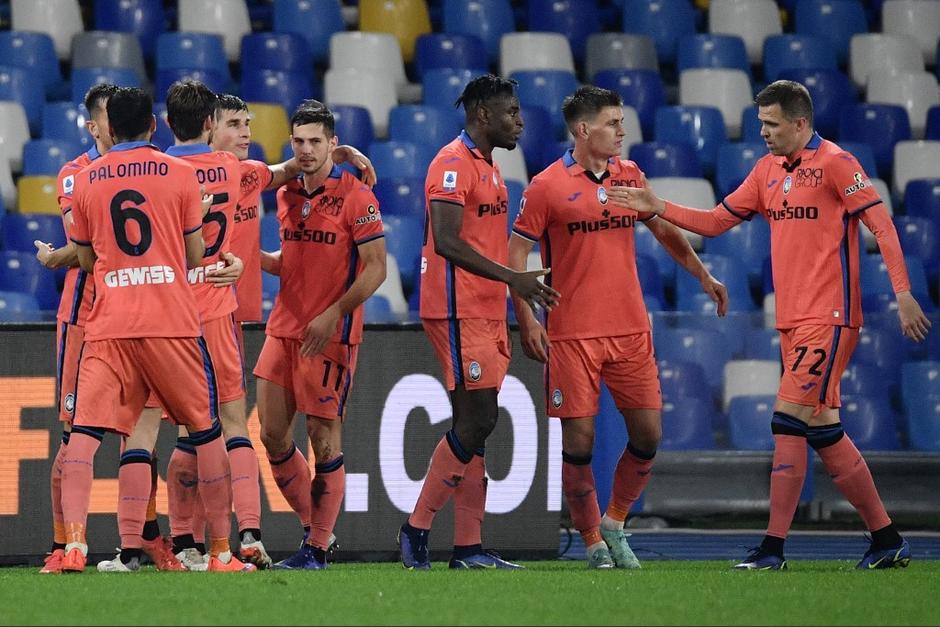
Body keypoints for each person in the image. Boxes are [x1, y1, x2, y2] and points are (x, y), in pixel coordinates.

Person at [608, 80, 931, 570]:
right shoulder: (765, 171)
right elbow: (716, 221)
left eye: (771, 123)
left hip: (831, 316)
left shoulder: (838, 164)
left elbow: (881, 226)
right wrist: (658, 206)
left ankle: (773, 548)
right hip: (793, 322)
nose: (762, 131)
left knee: (786, 420)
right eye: (760, 122)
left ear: (800, 123)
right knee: (822, 428)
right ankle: (886, 538)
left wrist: (903, 292)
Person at [508, 86, 728, 569]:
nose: (622, 131)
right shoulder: (546, 186)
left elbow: (665, 229)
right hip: (572, 335)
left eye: (622, 121)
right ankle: (591, 542)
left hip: (630, 330)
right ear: (584, 130)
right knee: (579, 444)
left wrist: (703, 275)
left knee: (648, 436)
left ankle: (615, 522)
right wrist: (527, 317)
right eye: (613, 122)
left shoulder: (629, 176)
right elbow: (515, 255)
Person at [161, 94, 375, 566]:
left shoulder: (248, 177)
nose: (245, 133)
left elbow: (283, 173)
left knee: (206, 433)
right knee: (222, 434)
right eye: (234, 124)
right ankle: (195, 542)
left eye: (248, 124)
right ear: (210, 126)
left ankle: (299, 539)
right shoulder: (244, 180)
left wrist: (327, 157)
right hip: (199, 318)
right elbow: (285, 177)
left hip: (231, 319)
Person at [58, 86, 255, 573]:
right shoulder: (181, 175)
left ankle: (76, 547)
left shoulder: (85, 180)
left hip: (109, 324)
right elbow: (192, 255)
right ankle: (222, 553)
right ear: (153, 125)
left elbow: (85, 258)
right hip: (170, 321)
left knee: (85, 434)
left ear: (112, 128)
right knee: (207, 433)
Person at [397, 74, 559, 570]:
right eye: (511, 112)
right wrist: (516, 279)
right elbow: (446, 241)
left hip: (485, 308)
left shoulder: (489, 168)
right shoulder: (452, 163)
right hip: (457, 307)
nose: (520, 121)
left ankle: (467, 546)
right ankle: (416, 528)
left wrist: (517, 306)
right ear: (483, 115)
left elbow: (487, 245)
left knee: (474, 425)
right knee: (480, 418)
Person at [34, 83, 176, 573]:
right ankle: (63, 544)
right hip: (85, 318)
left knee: (141, 435)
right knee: (77, 432)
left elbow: (93, 245)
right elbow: (96, 246)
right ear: (95, 127)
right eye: (102, 119)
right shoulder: (76, 176)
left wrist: (58, 255)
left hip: (134, 314)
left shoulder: (139, 170)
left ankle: (142, 541)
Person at [254, 101, 387, 570]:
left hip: (329, 334)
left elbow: (377, 270)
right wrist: (254, 260)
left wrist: (335, 313)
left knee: (323, 439)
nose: (306, 150)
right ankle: (318, 531)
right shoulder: (286, 192)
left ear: (333, 142)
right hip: (284, 328)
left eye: (316, 141)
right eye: (299, 141)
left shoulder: (357, 195)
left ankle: (315, 547)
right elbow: (291, 258)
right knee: (271, 434)